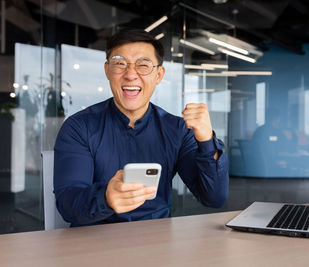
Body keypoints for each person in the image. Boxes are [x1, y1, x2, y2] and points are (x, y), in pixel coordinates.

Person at [53, 29, 229, 227]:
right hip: (93, 243)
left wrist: (206, 140)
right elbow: (67, 204)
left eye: (143, 65)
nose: (130, 75)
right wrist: (106, 198)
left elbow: (213, 198)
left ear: (159, 74)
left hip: (155, 242)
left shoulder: (177, 130)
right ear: (107, 70)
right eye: (120, 64)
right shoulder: (79, 127)